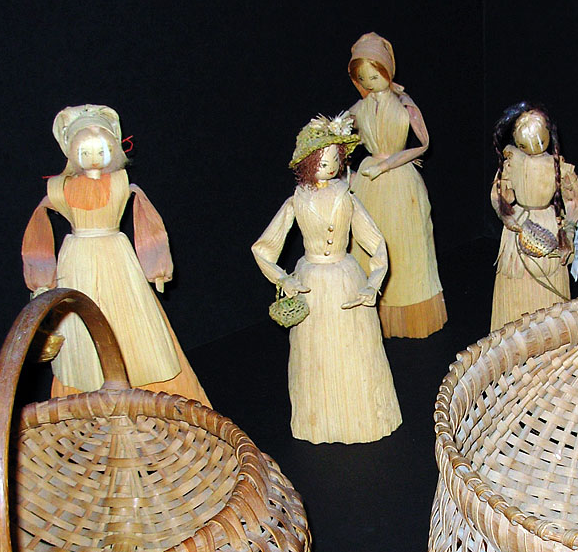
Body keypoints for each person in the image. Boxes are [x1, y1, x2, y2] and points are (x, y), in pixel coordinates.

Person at [21, 104, 209, 404]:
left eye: (101, 150)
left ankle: (151, 395)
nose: (94, 157)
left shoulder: (122, 184)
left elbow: (149, 226)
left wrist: (157, 267)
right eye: (85, 151)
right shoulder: (59, 189)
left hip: (117, 260)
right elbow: (38, 234)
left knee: (133, 325)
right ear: (72, 153)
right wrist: (41, 280)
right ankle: (86, 400)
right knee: (81, 329)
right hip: (78, 263)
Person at [251, 113, 402, 444]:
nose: (330, 165)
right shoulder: (296, 201)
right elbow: (263, 248)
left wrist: (373, 284)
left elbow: (376, 243)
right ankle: (318, 421)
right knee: (316, 355)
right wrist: (283, 279)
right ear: (307, 163)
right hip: (312, 284)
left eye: (335, 159)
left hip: (347, 279)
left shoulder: (347, 197)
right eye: (322, 160)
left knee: (356, 351)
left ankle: (364, 419)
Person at [347, 32, 446, 338]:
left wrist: (388, 164)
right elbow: (341, 139)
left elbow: (422, 144)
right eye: (363, 77)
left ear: (387, 71)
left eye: (374, 75)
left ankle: (410, 309)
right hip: (368, 182)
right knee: (367, 240)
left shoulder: (403, 105)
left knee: (405, 242)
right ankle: (369, 307)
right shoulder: (358, 109)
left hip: (399, 180)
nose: (369, 82)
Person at [489, 102, 578, 331]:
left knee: (548, 286)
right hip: (522, 228)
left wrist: (569, 232)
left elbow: (575, 200)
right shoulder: (513, 162)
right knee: (517, 284)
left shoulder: (555, 166)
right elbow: (499, 195)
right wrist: (507, 216)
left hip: (542, 226)